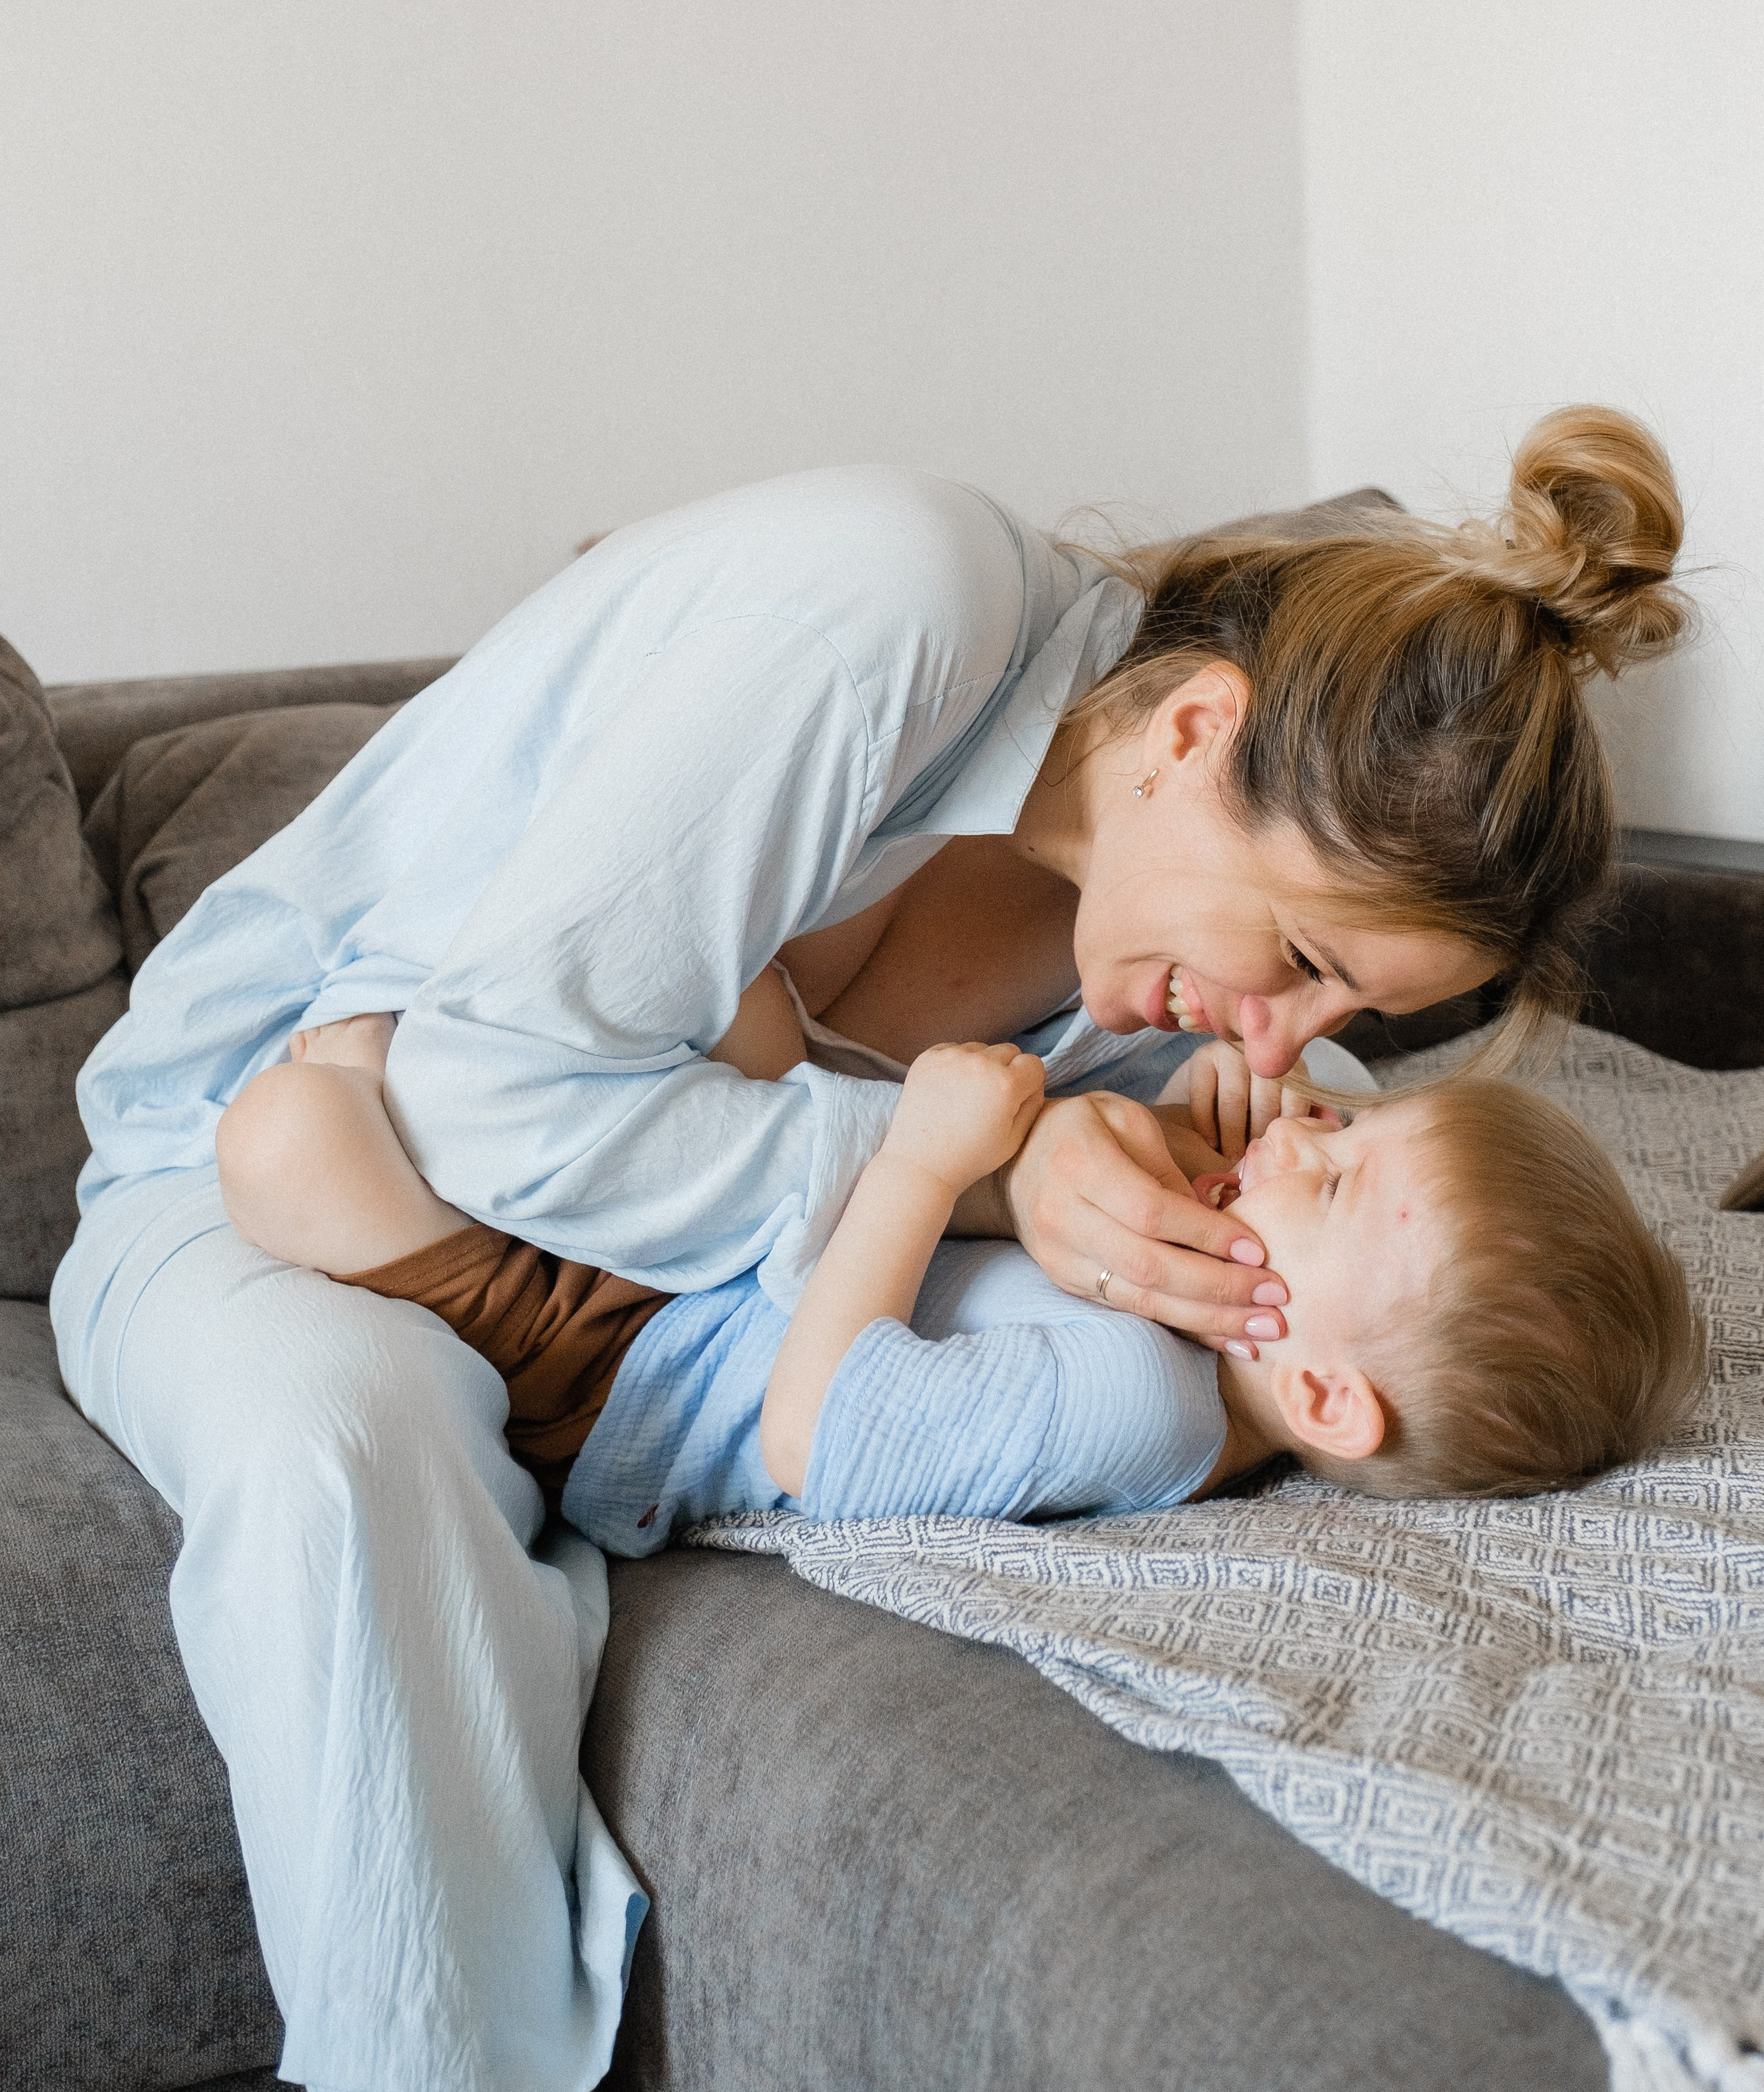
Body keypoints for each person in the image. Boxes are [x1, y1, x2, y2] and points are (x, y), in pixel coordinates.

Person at [53, 411, 1688, 2091]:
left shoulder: (1139, 939)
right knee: (339, 1448)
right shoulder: (896, 608)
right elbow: (485, 1099)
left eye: (1350, 1006)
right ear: (1194, 729)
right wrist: (987, 1176)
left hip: (645, 1307)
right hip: (285, 1155)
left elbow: (1317, 1154)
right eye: (1295, 955)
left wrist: (1205, 1147)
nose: (1283, 1042)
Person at [216, 988, 1706, 1541]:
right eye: (1354, 1121)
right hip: (730, 1249)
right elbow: (1104, 1190)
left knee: (288, 1137)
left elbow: (812, 1435)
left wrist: (927, 1165)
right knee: (741, 1000)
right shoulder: (1221, 1300)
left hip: (626, 1372)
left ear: (1319, 1393)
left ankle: (386, 1082)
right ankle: (433, 1067)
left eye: (1330, 1176)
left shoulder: (1146, 1407)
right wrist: (1205, 1110)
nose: (1311, 1119)